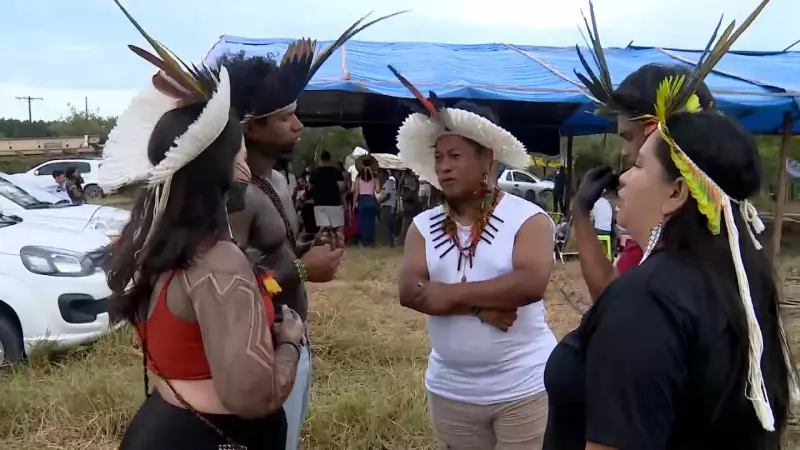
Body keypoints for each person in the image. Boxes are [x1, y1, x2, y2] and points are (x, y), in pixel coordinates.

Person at [544, 3, 798, 449]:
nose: (623, 164)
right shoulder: (738, 271)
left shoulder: (652, 295)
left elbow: (631, 313)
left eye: (634, 148)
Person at [98, 4, 302, 448]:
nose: (246, 165)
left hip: (164, 423)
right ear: (220, 165)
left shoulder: (154, 241)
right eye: (239, 153)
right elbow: (253, 396)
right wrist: (289, 341)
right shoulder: (217, 261)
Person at [215, 15, 405, 447]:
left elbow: (273, 253)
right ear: (251, 128)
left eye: (296, 115)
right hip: (256, 353)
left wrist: (307, 246)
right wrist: (302, 271)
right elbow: (228, 288)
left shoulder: (279, 182)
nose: (299, 127)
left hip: (292, 339)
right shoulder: (235, 198)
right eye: (286, 118)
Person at [392, 66, 557, 450]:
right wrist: (483, 308)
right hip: (452, 391)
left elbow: (529, 284)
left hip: (523, 388)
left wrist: (446, 296)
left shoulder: (529, 219)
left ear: (488, 160)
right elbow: (409, 291)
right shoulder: (423, 225)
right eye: (439, 157)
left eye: (455, 155)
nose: (444, 166)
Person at [571, 63, 714, 299]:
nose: (626, 152)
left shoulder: (669, 228)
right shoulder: (716, 223)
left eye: (629, 137)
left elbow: (611, 296)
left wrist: (580, 212)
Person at [310, 151, 346, 239]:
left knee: (324, 229)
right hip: (335, 203)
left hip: (319, 203)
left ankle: (326, 247)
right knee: (338, 227)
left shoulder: (314, 172)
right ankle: (339, 246)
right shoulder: (336, 172)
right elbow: (342, 187)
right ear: (330, 159)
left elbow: (310, 187)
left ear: (321, 159)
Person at [353, 165, 378, 246]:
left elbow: (356, 192)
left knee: (362, 222)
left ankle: (364, 241)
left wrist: (354, 204)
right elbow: (377, 190)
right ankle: (372, 241)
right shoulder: (374, 178)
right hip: (371, 200)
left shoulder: (358, 179)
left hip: (362, 200)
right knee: (371, 222)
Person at [378, 169, 397, 247]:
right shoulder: (386, 183)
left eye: (381, 174)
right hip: (386, 206)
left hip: (388, 206)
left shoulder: (388, 183)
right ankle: (390, 242)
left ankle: (389, 242)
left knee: (386, 224)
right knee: (387, 224)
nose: (379, 177)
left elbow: (388, 195)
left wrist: (380, 201)